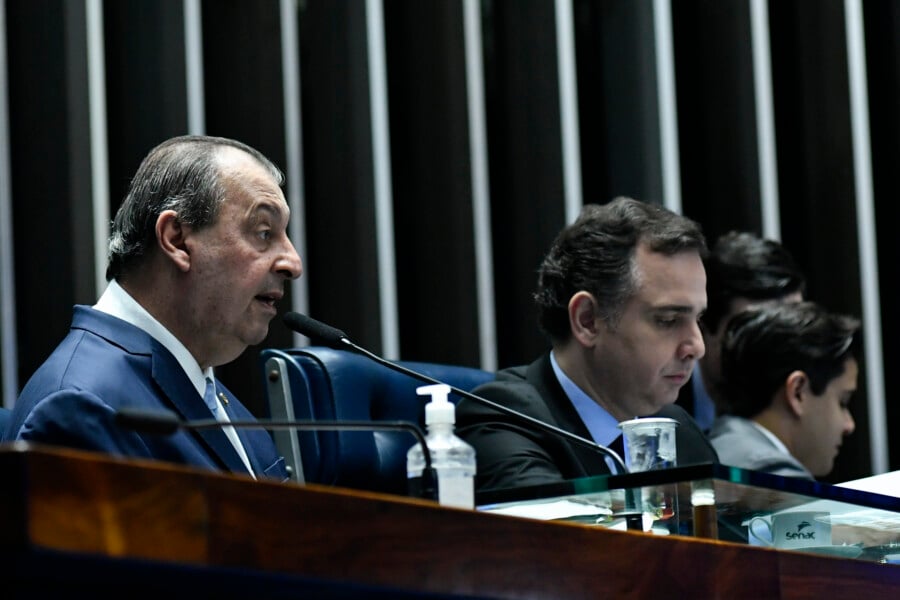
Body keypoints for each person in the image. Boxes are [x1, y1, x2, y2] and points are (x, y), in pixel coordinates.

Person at [2, 135, 303, 480]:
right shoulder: (80, 407)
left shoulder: (204, 388)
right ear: (176, 240)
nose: (293, 262)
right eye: (264, 232)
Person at [456, 197, 718, 492]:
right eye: (668, 320)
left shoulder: (678, 431)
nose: (697, 347)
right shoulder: (503, 420)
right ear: (588, 320)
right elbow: (561, 537)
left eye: (698, 319)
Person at [708, 301, 860, 479]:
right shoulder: (776, 476)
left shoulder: (715, 448)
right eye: (842, 402)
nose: (849, 425)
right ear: (797, 392)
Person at [678, 231, 806, 431]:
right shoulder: (656, 406)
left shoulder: (803, 399)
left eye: (790, 333)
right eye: (753, 333)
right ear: (703, 329)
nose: (778, 354)